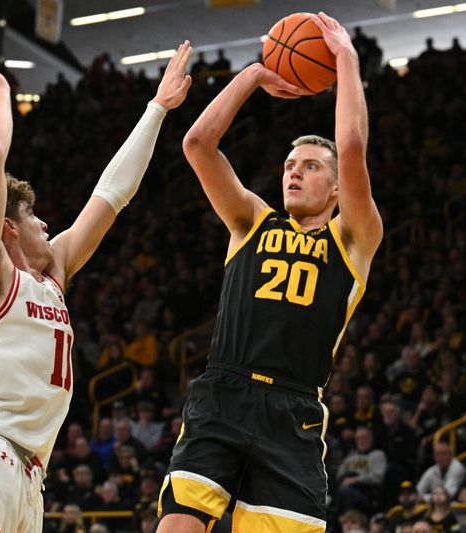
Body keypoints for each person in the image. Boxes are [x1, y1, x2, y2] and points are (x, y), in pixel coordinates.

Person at [0, 44, 193, 533]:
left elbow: (112, 194)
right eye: (32, 215)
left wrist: (157, 110)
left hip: (28, 473)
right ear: (6, 226)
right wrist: (1, 98)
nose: (46, 223)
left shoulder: (53, 273)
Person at [157, 12, 383, 533]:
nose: (294, 172)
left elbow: (349, 148)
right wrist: (254, 75)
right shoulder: (251, 222)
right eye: (288, 165)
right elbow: (197, 145)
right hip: (224, 391)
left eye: (310, 166)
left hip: (294, 409)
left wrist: (346, 60)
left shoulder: (353, 239)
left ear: (335, 191)